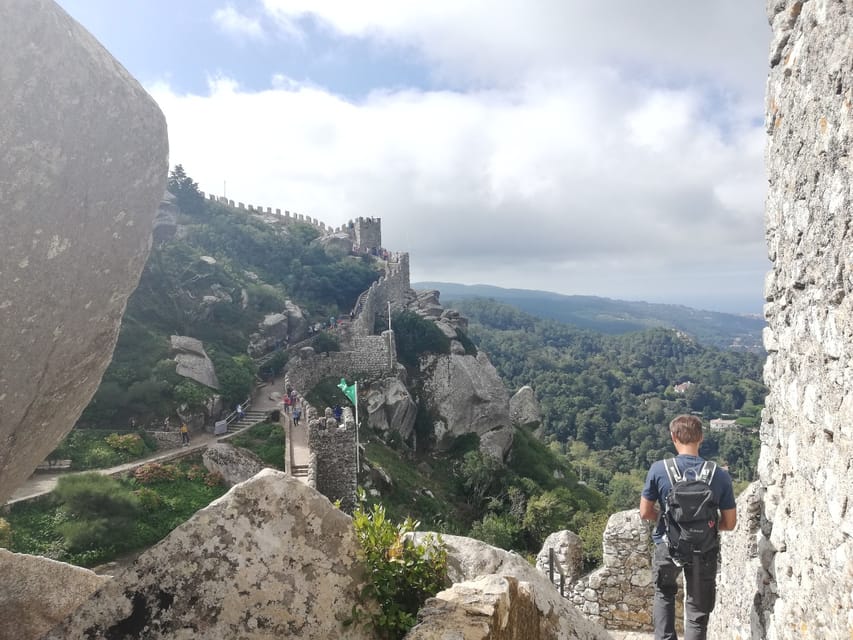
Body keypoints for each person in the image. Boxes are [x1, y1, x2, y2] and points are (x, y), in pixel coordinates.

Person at [640, 415, 737, 640]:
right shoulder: (719, 475)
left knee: (664, 594)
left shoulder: (659, 469)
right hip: (704, 551)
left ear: (673, 437)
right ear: (701, 438)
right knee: (697, 610)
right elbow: (730, 523)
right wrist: (706, 529)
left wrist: (668, 521)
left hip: (668, 546)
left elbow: (645, 512)